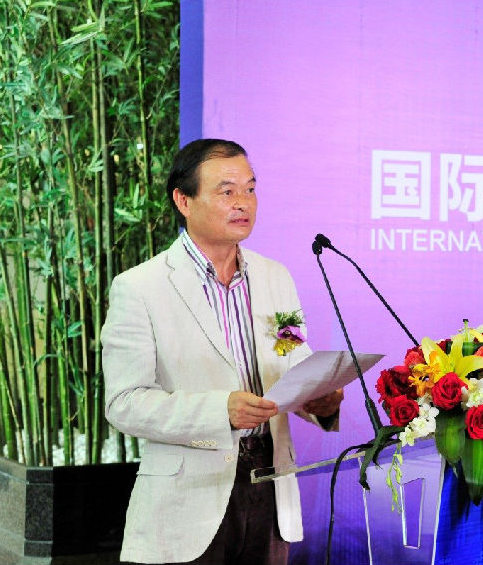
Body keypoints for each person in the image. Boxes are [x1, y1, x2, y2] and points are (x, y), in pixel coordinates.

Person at [101, 138, 344, 564]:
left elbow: (291, 356)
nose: (243, 203)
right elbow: (124, 403)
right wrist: (220, 411)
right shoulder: (139, 288)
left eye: (250, 189)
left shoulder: (275, 278)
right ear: (183, 200)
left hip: (270, 486)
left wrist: (318, 401)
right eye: (226, 191)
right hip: (186, 499)